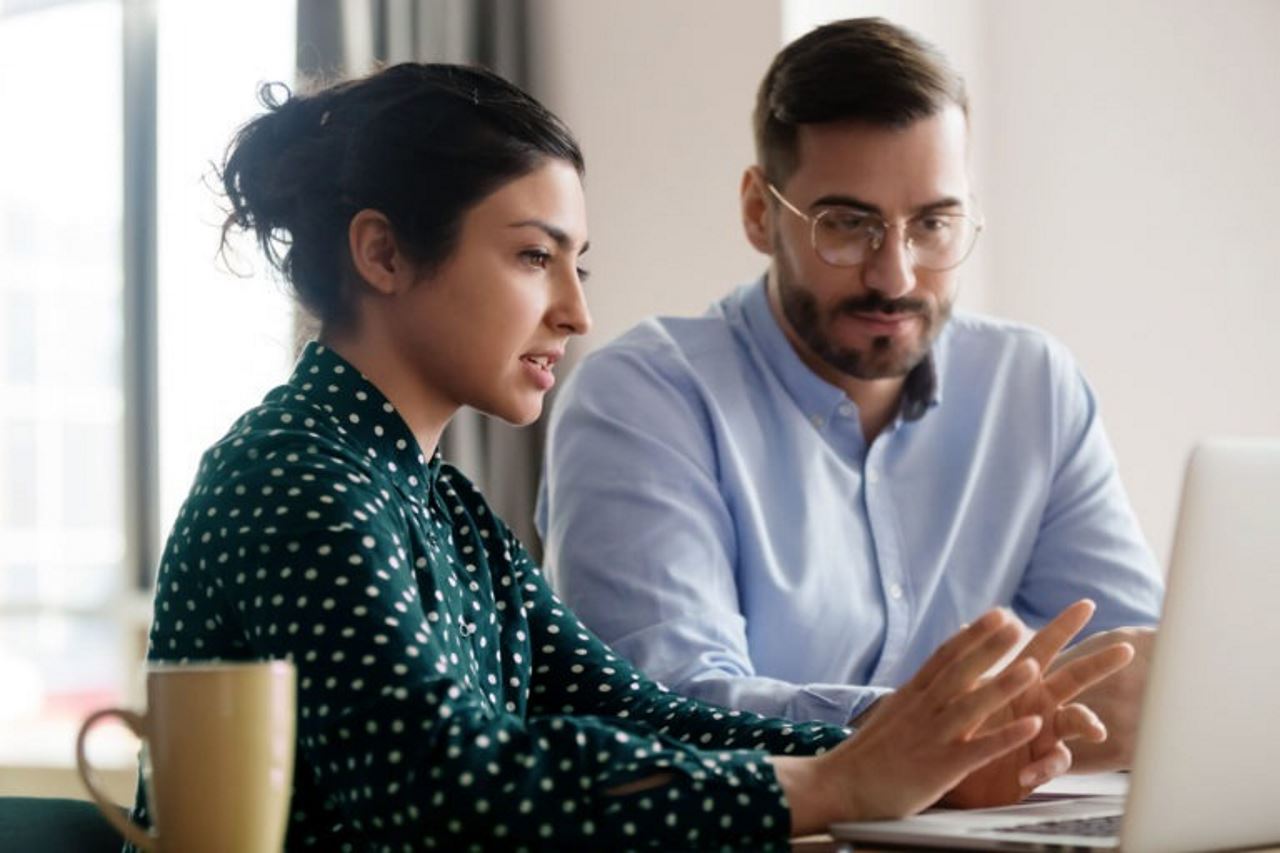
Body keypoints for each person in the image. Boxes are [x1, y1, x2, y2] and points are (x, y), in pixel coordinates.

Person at [130, 62, 1133, 851]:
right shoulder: (298, 478)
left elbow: (638, 714)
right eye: (533, 256)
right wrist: (836, 783)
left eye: (578, 263)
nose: (576, 310)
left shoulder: (441, 506)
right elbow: (442, 795)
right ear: (383, 254)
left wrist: (917, 755)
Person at [536, 17, 1163, 772]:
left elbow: (1136, 676)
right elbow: (669, 708)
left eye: (933, 224)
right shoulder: (640, 398)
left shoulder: (1031, 387)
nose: (894, 275)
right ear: (759, 212)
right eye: (848, 224)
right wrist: (936, 731)